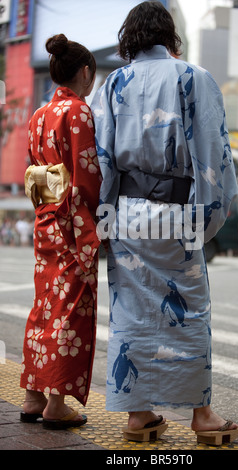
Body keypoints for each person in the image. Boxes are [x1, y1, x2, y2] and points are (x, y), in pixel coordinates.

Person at [91, 1, 238, 444]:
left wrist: (105, 221)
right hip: (179, 213)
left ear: (129, 39)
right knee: (190, 309)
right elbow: (215, 160)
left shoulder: (112, 82)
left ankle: (139, 415)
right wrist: (207, 219)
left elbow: (102, 159)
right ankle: (203, 416)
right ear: (169, 35)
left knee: (131, 313)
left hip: (127, 215)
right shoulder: (193, 78)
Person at [20, 34, 101, 429]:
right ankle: (56, 403)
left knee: (44, 308)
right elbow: (86, 178)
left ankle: (33, 394)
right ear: (85, 72)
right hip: (73, 226)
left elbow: (36, 172)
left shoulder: (37, 115)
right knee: (70, 310)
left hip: (45, 223)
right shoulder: (78, 111)